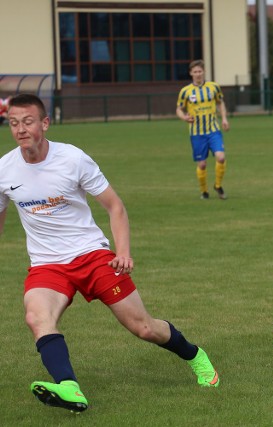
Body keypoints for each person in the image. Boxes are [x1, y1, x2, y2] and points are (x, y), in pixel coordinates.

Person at [0, 94, 220, 414]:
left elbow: (114, 206)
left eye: (28, 121)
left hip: (91, 255)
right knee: (37, 318)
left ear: (45, 123)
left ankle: (195, 355)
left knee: (143, 327)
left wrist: (124, 252)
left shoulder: (73, 159)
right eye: (13, 123)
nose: (20, 129)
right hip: (47, 265)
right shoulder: (4, 169)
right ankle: (69, 387)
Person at [176, 59, 230, 200]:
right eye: (195, 72)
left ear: (204, 72)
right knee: (202, 164)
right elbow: (179, 109)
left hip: (213, 130)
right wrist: (184, 118)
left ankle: (218, 186)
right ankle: (204, 191)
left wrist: (224, 118)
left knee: (221, 157)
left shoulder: (213, 87)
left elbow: (220, 103)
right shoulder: (185, 91)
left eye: (200, 71)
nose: (198, 74)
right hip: (197, 133)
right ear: (191, 74)